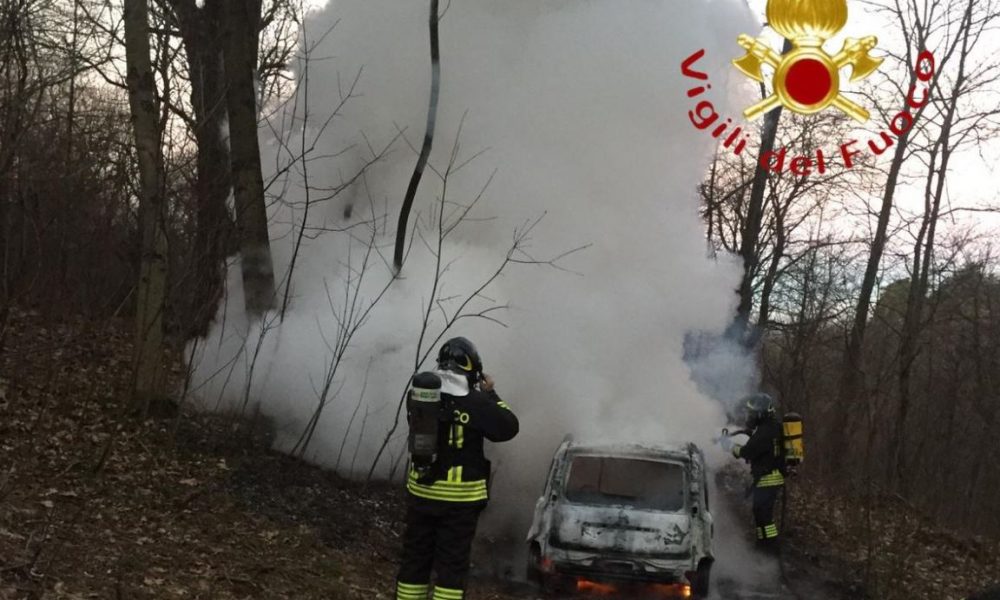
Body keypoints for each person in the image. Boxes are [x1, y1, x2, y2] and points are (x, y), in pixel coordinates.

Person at [395, 337, 519, 600]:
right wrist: (491, 394)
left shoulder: (420, 395)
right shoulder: (476, 402)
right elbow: (508, 426)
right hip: (458, 502)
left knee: (414, 563)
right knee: (451, 569)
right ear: (471, 368)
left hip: (421, 494)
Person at [729, 393, 785, 554]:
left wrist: (730, 447)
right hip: (768, 477)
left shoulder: (766, 431)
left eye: (752, 413)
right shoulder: (771, 427)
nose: (750, 416)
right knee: (760, 513)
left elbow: (747, 452)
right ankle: (762, 545)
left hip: (768, 478)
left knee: (764, 516)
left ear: (761, 413)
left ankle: (770, 549)